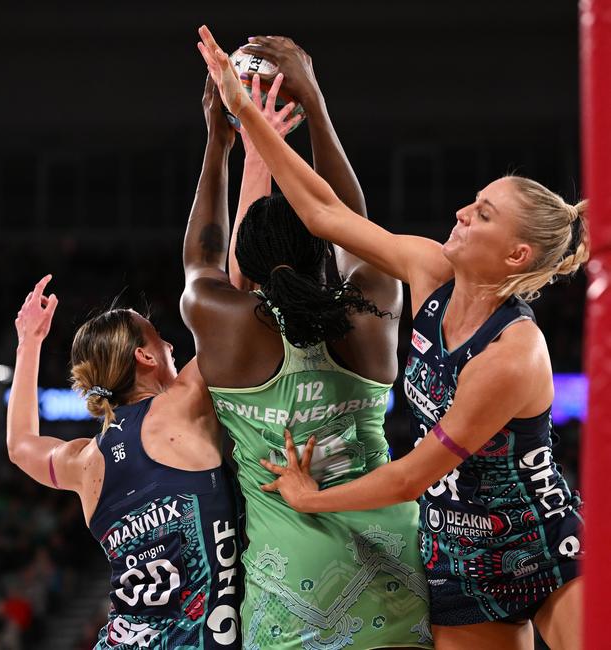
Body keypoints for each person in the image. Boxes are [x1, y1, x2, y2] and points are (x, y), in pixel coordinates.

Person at [197, 25, 587, 650]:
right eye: (474, 200)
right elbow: (327, 215)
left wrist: (308, 498)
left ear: (516, 255)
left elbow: (410, 477)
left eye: (483, 214)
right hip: (455, 554)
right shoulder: (429, 267)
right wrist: (248, 116)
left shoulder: (512, 355)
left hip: (538, 544)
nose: (463, 211)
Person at [182, 42, 431, 649]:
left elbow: (202, 256)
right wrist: (315, 104)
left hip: (295, 586)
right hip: (399, 565)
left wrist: (220, 141)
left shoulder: (220, 319)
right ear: (325, 247)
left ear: (249, 259)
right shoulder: (371, 310)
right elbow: (352, 221)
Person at [7, 275, 243, 649]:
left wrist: (29, 342)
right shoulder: (181, 405)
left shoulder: (83, 461)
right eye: (158, 338)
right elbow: (241, 308)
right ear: (145, 356)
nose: (169, 344)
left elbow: (20, 446)